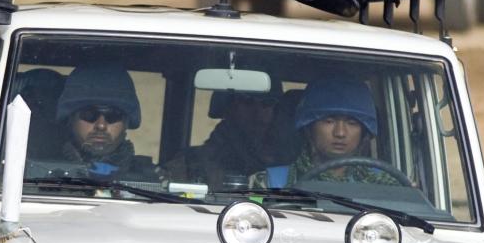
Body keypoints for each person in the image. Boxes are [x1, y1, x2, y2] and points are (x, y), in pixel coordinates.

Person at [253, 77, 404, 188]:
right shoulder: (270, 182)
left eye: (352, 123)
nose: (340, 133)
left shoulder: (386, 184)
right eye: (329, 121)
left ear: (364, 132)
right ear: (309, 128)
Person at [54, 65, 160, 181]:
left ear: (126, 123)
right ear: (70, 119)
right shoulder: (41, 175)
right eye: (89, 114)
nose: (101, 125)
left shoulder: (153, 179)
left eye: (113, 115)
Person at [164, 88, 280, 189]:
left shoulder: (285, 165)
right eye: (247, 102)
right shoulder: (189, 164)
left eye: (267, 103)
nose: (257, 111)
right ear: (229, 107)